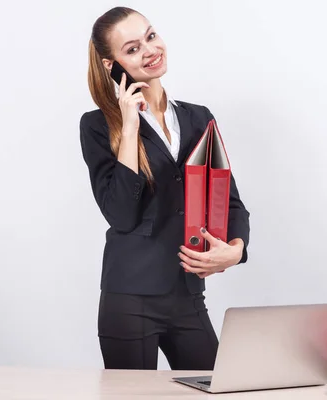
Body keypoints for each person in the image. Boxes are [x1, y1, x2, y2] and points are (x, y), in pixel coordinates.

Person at [79, 6, 250, 370]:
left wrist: (235, 250)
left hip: (187, 294)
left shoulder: (198, 117)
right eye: (132, 48)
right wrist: (128, 126)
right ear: (112, 65)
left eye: (151, 36)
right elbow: (122, 215)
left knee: (216, 388)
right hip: (130, 298)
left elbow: (230, 201)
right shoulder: (97, 126)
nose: (150, 50)